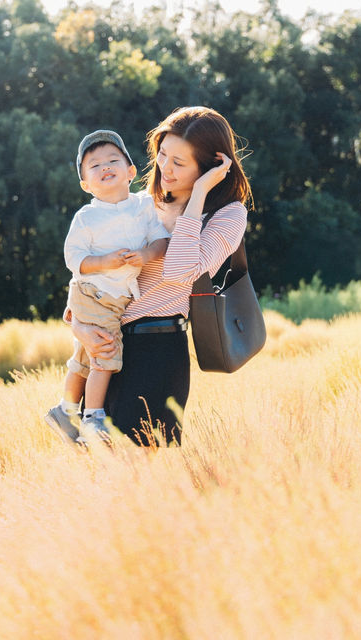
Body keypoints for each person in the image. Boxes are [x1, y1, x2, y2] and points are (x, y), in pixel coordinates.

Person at [67, 106, 253, 447]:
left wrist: (196, 197)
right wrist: (80, 328)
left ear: (210, 166)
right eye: (163, 155)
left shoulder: (227, 215)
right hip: (107, 351)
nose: (165, 168)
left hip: (157, 349)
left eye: (179, 163)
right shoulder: (139, 206)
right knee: (98, 473)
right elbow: (86, 281)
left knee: (139, 467)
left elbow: (180, 271)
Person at [45, 129, 170, 444]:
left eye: (112, 160)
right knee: (106, 352)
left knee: (87, 355)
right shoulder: (87, 217)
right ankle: (93, 418)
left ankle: (66, 409)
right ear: (86, 184)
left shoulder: (143, 206)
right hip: (93, 293)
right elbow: (74, 258)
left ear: (130, 171)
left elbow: (161, 241)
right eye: (94, 165)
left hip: (115, 298)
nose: (105, 167)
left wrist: (143, 255)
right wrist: (103, 262)